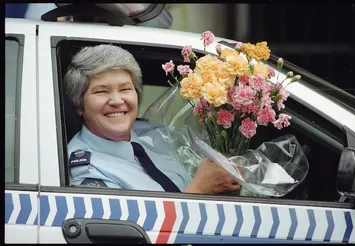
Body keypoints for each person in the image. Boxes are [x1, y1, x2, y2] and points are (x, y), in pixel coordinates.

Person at [64, 44, 240, 194]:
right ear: (79, 106)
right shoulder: (86, 169)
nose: (117, 101)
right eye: (101, 91)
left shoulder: (160, 135)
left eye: (125, 89)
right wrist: (200, 189)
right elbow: (132, 228)